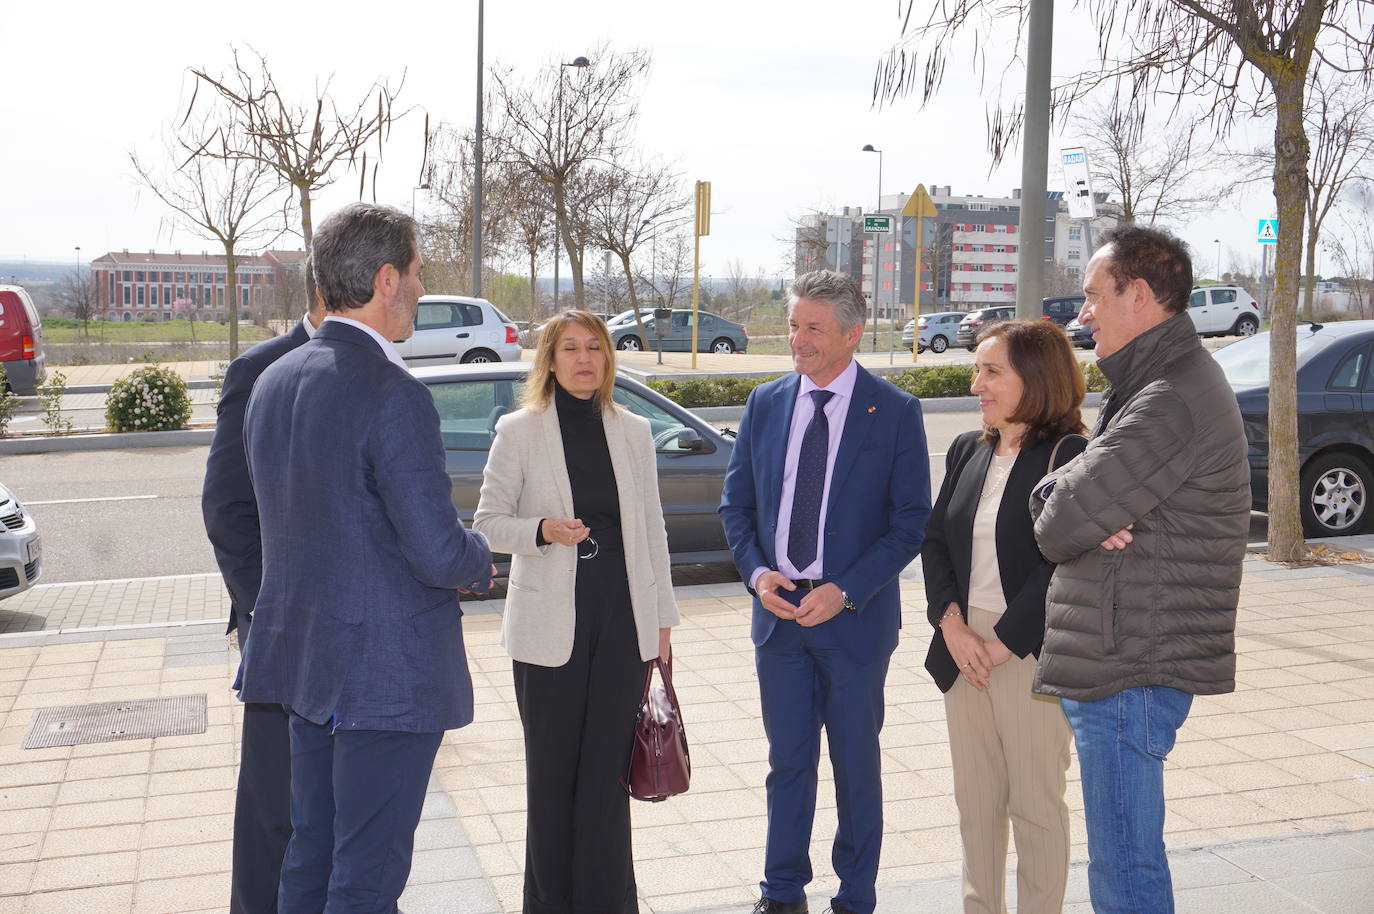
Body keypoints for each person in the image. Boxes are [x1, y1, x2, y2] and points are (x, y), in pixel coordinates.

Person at [239, 202, 494, 914]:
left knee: (310, 859)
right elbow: (437, 551)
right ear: (386, 280)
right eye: (417, 272)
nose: (421, 288)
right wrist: (483, 556)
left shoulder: (273, 380)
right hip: (384, 676)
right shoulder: (392, 393)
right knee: (366, 879)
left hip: (305, 666)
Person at [1032, 225, 1250, 914]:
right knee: (1124, 858)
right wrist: (1069, 497)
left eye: (1094, 296)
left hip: (1130, 663)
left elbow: (1057, 526)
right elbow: (1065, 499)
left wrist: (1070, 503)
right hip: (1125, 654)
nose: (1083, 313)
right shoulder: (1154, 382)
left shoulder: (1167, 399)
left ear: (1141, 295)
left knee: (1125, 866)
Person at [719, 270, 932, 914]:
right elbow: (736, 507)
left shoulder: (894, 410)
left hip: (853, 622)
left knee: (855, 766)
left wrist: (845, 590)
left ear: (851, 334)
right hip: (780, 618)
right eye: (793, 326)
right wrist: (758, 574)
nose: (798, 339)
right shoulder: (766, 403)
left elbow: (910, 523)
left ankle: (856, 896)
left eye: (812, 328)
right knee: (787, 763)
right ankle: (781, 892)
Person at [473, 309, 678, 914]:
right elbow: (487, 524)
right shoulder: (519, 430)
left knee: (607, 778)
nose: (584, 358)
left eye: (594, 346)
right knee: (552, 777)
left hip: (621, 621)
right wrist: (542, 529)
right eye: (569, 348)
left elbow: (653, 532)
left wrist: (661, 625)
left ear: (607, 357)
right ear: (549, 360)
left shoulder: (634, 431)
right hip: (547, 628)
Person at [920, 319, 1088, 914]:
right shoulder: (968, 448)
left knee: (1035, 806)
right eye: (977, 370)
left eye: (991, 371)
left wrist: (1002, 643)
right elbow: (935, 541)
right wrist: (951, 623)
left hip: (1032, 648)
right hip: (962, 643)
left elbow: (1068, 561)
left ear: (1035, 379)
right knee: (976, 804)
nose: (976, 385)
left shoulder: (1071, 456)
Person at [202, 287, 324, 914]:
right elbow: (226, 508)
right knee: (275, 801)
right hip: (280, 627)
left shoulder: (381, 365)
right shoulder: (260, 369)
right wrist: (267, 610)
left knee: (338, 804)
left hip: (351, 633)